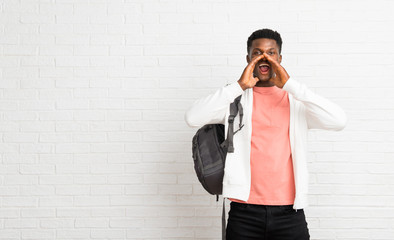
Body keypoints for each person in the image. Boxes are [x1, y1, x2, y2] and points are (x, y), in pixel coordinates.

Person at [184, 28, 347, 240]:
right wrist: (239, 86)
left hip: (290, 213)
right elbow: (192, 117)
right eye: (257, 53)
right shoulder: (236, 99)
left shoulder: (296, 101)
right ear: (248, 59)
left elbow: (339, 120)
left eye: (271, 53)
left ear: (280, 58)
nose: (264, 58)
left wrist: (290, 85)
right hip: (244, 213)